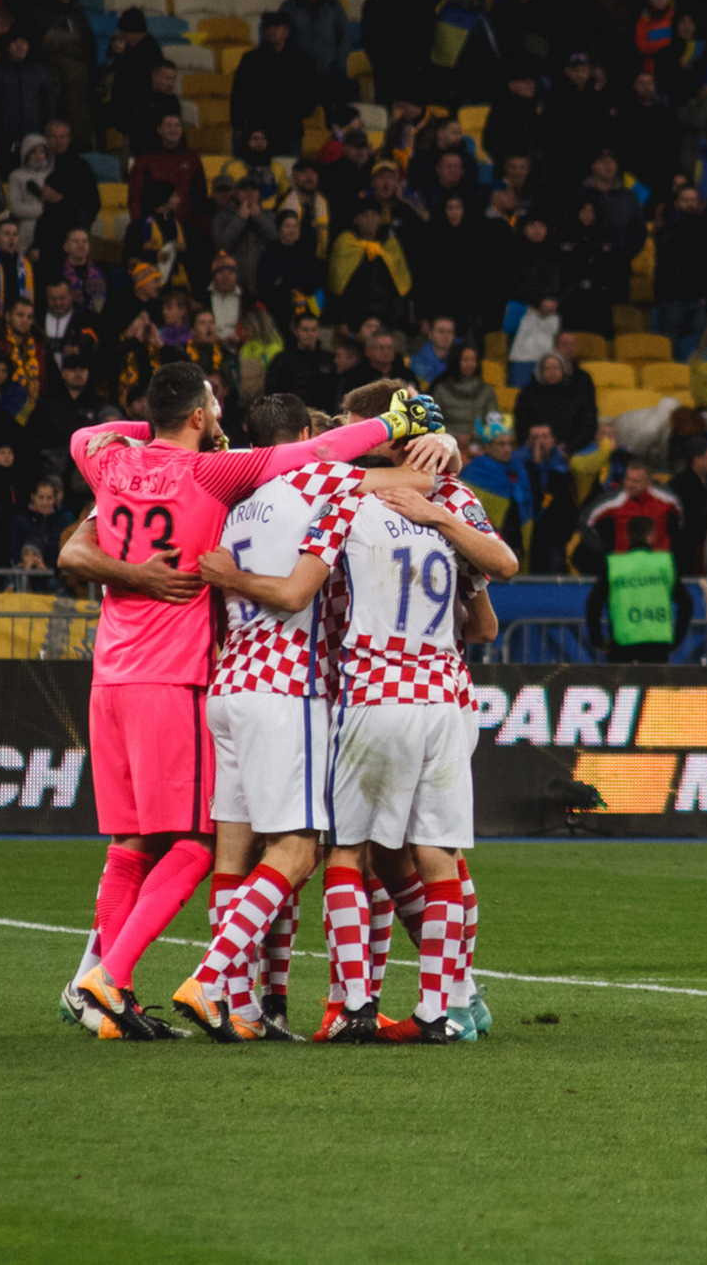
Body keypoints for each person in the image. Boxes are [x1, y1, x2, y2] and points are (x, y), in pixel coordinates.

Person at [57, 363, 440, 1040]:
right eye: (209, 405)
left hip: (126, 672)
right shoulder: (221, 475)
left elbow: (85, 443)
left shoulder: (110, 463)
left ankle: (135, 992)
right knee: (234, 845)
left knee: (136, 844)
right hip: (207, 677)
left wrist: (156, 429)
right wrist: (397, 426)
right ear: (199, 417)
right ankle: (132, 978)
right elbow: (331, 457)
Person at [189, 411, 514, 1044]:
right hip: (445, 696)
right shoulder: (454, 500)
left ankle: (347, 1004)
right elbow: (489, 610)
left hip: (366, 691)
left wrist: (231, 578)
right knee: (436, 856)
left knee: (344, 852)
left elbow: (300, 591)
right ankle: (445, 1006)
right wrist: (444, 484)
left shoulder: (336, 499)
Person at [586, 515, 693, 663]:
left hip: (622, 642)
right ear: (652, 535)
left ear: (627, 536)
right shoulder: (664, 563)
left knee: (622, 679)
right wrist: (677, 639)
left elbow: (594, 604)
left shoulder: (615, 564)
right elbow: (686, 604)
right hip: (657, 644)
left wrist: (597, 639)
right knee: (653, 679)